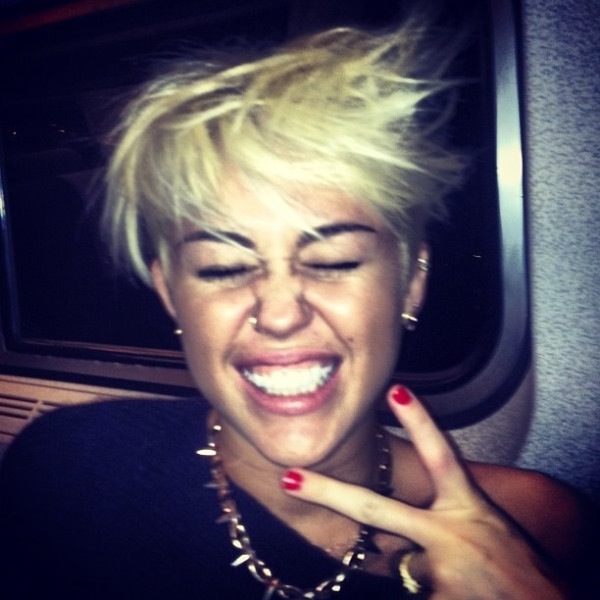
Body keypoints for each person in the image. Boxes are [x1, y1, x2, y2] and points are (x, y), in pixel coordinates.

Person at [0, 14, 595, 600]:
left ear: (411, 281)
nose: (281, 314)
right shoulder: (67, 471)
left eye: (334, 260)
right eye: (223, 267)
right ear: (170, 294)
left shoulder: (538, 525)